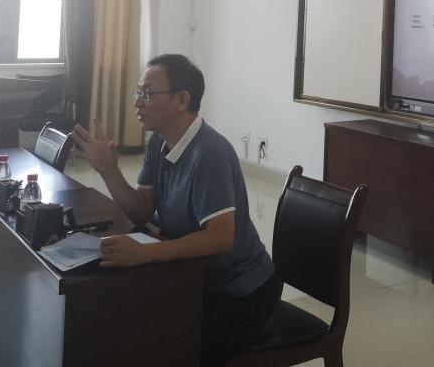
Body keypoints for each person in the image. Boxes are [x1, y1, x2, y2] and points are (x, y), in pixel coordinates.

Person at [73, 54, 280, 367]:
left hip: (240, 292)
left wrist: (144, 253)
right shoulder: (159, 141)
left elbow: (220, 238)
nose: (137, 102)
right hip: (194, 277)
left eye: (147, 94)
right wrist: (109, 170)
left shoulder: (209, 152)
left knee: (164, 345)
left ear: (182, 100)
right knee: (120, 320)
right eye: (137, 93)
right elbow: (142, 210)